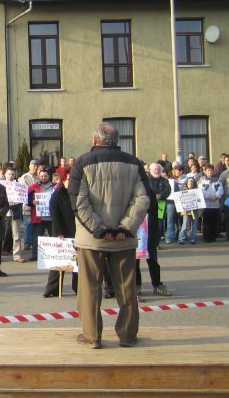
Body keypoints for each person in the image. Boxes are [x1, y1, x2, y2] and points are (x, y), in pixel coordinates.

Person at [68, 123, 149, 349]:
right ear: (116, 140)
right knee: (127, 288)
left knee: (90, 288)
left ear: (95, 140)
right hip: (124, 238)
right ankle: (128, 335)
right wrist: (125, 227)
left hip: (91, 238)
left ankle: (92, 336)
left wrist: (99, 228)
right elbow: (143, 199)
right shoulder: (134, 163)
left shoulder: (82, 163)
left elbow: (77, 201)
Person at [43, 173, 78, 297]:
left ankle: (78, 287)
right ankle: (53, 288)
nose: (71, 181)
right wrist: (58, 232)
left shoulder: (77, 194)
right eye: (69, 179)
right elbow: (55, 215)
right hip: (61, 232)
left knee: (77, 262)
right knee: (59, 263)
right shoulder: (57, 195)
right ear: (63, 181)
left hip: (76, 231)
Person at [27, 168, 55, 261]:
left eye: (45, 176)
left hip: (52, 218)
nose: (43, 178)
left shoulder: (55, 187)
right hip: (38, 217)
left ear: (49, 176)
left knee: (53, 237)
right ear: (39, 176)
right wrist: (32, 202)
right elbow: (26, 200)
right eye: (42, 176)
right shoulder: (32, 187)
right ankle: (35, 255)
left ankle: (54, 254)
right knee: (37, 237)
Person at [198, 164, 223, 243]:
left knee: (214, 221)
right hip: (206, 205)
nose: (210, 172)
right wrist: (209, 196)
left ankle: (213, 237)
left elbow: (221, 190)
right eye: (208, 170)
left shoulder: (217, 181)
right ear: (205, 171)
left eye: (211, 170)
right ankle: (207, 238)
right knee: (206, 222)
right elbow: (201, 190)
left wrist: (216, 196)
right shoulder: (202, 181)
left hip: (215, 205)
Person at [178, 177, 200, 245]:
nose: (190, 184)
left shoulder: (197, 191)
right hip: (186, 210)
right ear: (187, 183)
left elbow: (199, 200)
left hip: (195, 210)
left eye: (192, 183)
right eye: (189, 183)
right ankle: (181, 239)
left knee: (194, 225)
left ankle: (193, 238)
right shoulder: (183, 191)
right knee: (185, 224)